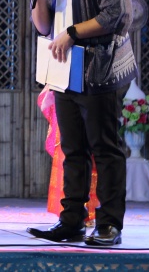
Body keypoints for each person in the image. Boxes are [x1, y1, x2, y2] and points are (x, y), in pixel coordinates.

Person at [25, 0, 137, 246]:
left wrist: (72, 33)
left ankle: (109, 225)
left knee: (105, 148)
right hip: (64, 71)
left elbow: (117, 14)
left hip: (98, 69)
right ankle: (71, 221)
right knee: (72, 150)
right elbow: (44, 27)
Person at [38, 85, 99, 227]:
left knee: (91, 160)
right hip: (65, 93)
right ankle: (70, 215)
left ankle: (91, 214)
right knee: (69, 158)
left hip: (92, 93)